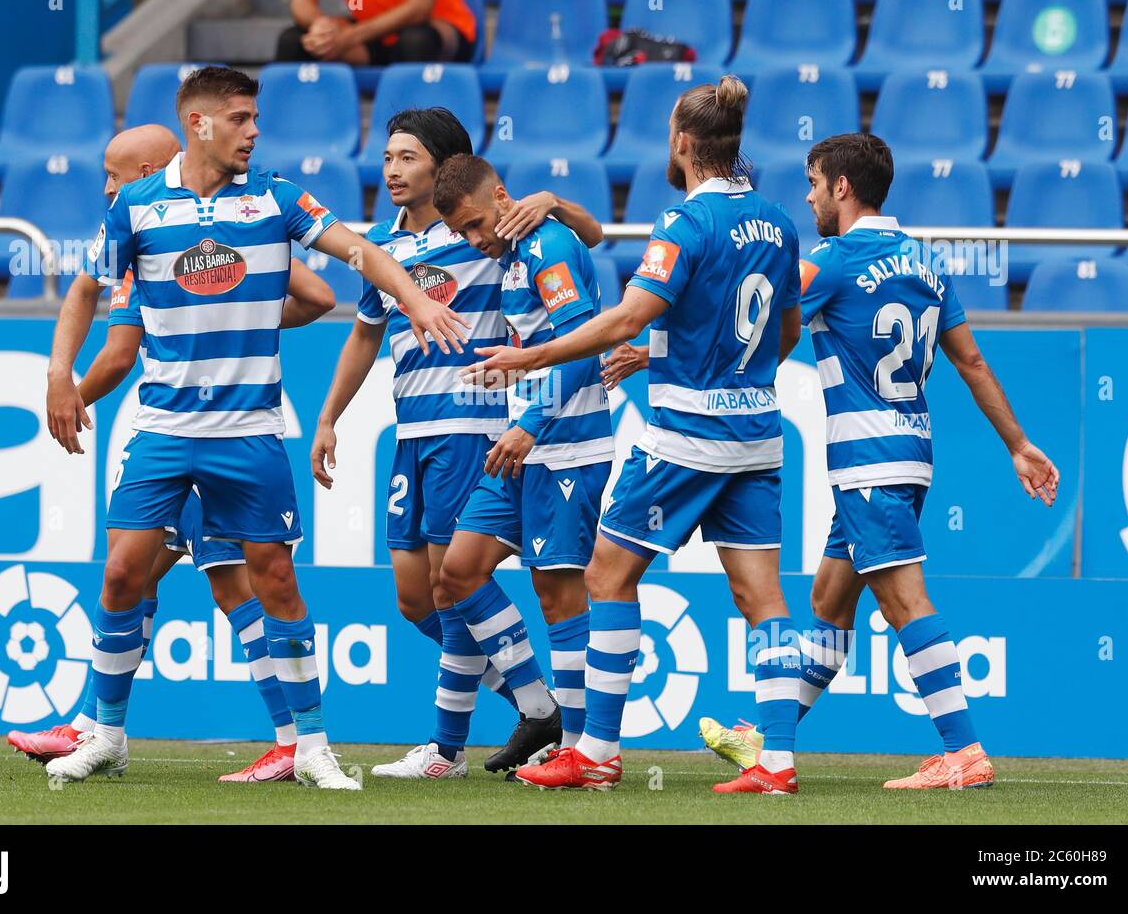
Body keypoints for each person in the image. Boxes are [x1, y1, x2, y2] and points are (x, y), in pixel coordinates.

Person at [42, 65, 468, 789]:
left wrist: (416, 302)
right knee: (120, 572)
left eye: (254, 118)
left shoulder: (275, 199)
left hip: (250, 431)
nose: (254, 130)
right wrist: (59, 371)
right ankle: (108, 734)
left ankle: (310, 746)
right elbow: (86, 285)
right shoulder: (139, 205)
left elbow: (360, 252)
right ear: (200, 123)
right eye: (241, 118)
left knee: (274, 579)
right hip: (163, 428)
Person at [462, 77, 809, 794]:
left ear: (683, 142)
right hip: (758, 435)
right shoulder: (778, 222)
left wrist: (530, 356)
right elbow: (784, 333)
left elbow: (624, 318)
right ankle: (776, 759)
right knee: (763, 598)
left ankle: (597, 752)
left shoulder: (684, 224)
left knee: (606, 575)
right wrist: (667, 354)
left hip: (684, 436)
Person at [699, 133, 1060, 790]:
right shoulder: (926, 263)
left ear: (841, 187)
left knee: (904, 602)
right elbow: (971, 362)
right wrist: (1017, 442)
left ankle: (964, 751)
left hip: (868, 464)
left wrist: (683, 364)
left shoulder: (832, 260)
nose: (807, 196)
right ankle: (770, 741)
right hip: (910, 454)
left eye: (812, 184)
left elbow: (763, 330)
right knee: (830, 604)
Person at [12, 151, 337, 783]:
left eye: (116, 172)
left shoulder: (161, 245)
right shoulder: (169, 239)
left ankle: (279, 738)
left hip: (200, 429)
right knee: (170, 578)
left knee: (207, 581)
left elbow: (120, 351)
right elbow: (320, 293)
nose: (108, 185)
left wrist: (72, 392)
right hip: (191, 432)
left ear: (152, 173)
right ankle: (103, 723)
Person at [311, 107, 604, 779]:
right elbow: (363, 334)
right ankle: (536, 704)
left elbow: (583, 241)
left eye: (407, 156)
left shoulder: (485, 231)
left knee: (452, 585)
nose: (391, 168)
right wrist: (329, 416)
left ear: (444, 169)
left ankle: (450, 746)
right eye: (387, 156)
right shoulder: (385, 250)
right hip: (410, 429)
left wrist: (554, 201)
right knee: (416, 597)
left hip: (472, 425)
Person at [425, 154, 614, 777]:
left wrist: (530, 422)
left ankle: (582, 749)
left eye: (478, 224)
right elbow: (596, 237)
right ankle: (541, 710)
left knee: (559, 597)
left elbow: (583, 347)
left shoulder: (546, 246)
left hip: (566, 445)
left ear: (502, 195)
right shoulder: (516, 250)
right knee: (458, 571)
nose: (475, 240)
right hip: (527, 446)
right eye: (463, 235)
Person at [277, 0, 475, 64]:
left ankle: (415, 135)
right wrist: (324, 28)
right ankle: (290, 133)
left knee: (415, 41)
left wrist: (349, 37)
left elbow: (420, 8)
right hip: (371, 34)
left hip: (437, 28)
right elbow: (300, 2)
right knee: (293, 41)